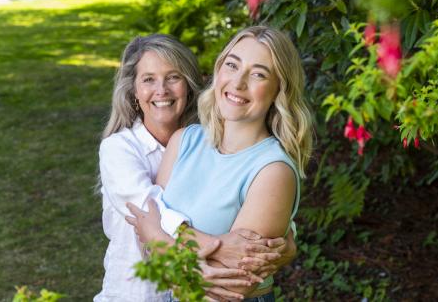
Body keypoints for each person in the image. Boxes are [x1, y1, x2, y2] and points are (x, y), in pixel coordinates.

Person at [94, 34, 294, 302]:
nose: (161, 90)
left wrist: (287, 239)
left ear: (189, 85)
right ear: (134, 91)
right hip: (134, 293)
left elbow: (234, 282)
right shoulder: (128, 149)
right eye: (148, 79)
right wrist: (216, 248)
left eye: (173, 77)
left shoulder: (199, 139)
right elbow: (148, 218)